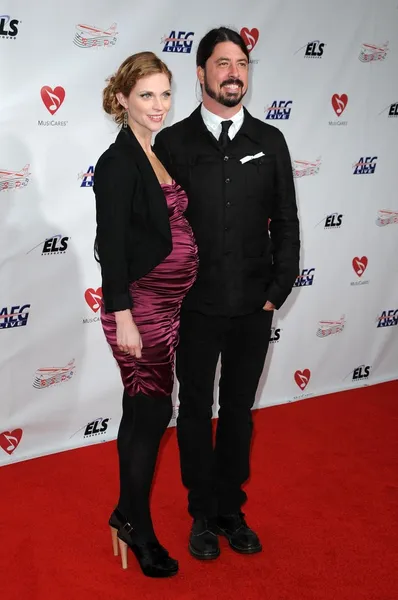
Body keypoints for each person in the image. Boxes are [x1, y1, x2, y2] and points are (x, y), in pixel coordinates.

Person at [154, 27, 300, 560]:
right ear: (200, 73)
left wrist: (276, 290)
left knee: (238, 410)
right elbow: (155, 228)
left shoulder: (270, 141)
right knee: (193, 408)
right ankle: (200, 513)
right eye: (222, 63)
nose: (234, 72)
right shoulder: (173, 143)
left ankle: (230, 510)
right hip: (193, 308)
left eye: (241, 63)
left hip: (251, 308)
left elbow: (286, 220)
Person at [93, 52, 198, 577]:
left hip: (168, 307)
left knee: (140, 412)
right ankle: (136, 524)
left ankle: (125, 512)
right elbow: (110, 247)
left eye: (164, 94)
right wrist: (125, 316)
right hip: (140, 308)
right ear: (122, 101)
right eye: (146, 96)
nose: (158, 106)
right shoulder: (118, 163)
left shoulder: (157, 153)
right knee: (154, 413)